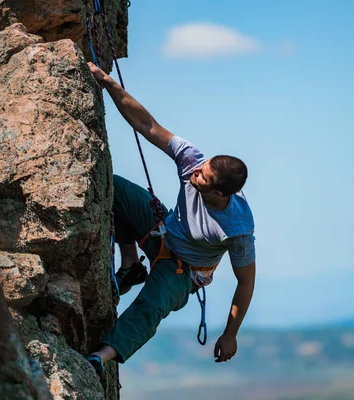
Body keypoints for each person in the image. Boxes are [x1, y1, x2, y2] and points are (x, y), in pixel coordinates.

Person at [85, 62, 257, 376]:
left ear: (218, 192)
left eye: (202, 177)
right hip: (161, 230)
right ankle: (130, 265)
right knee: (110, 185)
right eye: (200, 169)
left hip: (183, 271)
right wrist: (108, 83)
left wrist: (230, 333)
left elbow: (245, 282)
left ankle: (100, 356)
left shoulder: (237, 228)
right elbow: (147, 124)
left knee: (150, 307)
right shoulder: (194, 160)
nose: (194, 173)